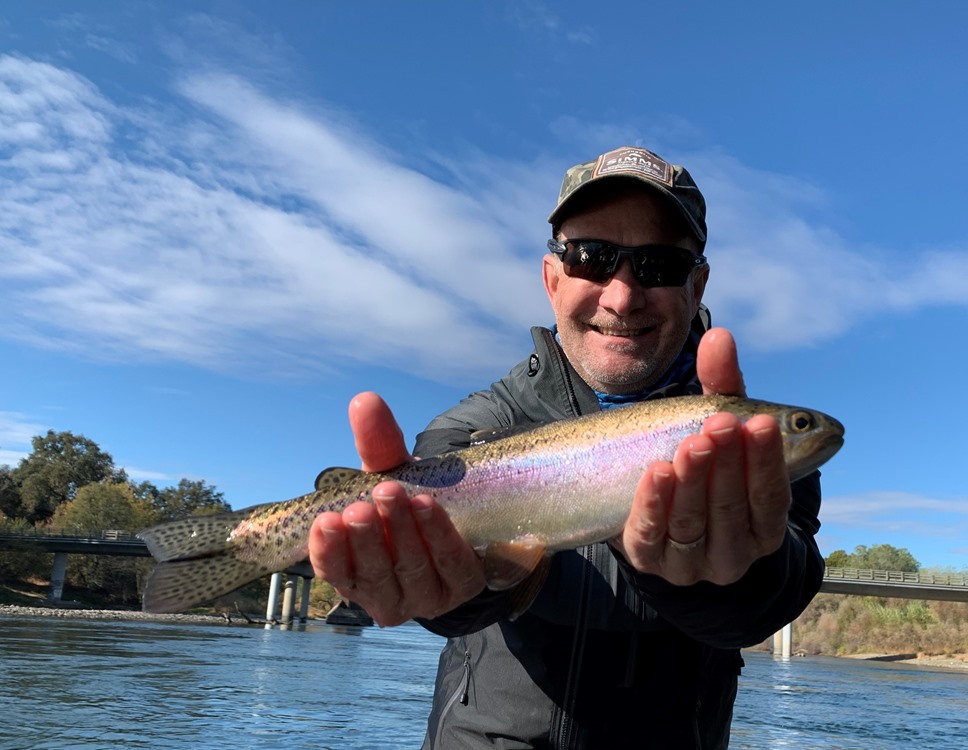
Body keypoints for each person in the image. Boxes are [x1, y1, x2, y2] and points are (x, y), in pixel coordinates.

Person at [308, 146, 825, 749]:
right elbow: (453, 604)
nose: (622, 296)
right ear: (552, 279)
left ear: (697, 283)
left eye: (657, 265)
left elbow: (776, 595)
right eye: (592, 258)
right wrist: (461, 593)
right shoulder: (472, 426)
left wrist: (730, 575)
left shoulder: (747, 450)